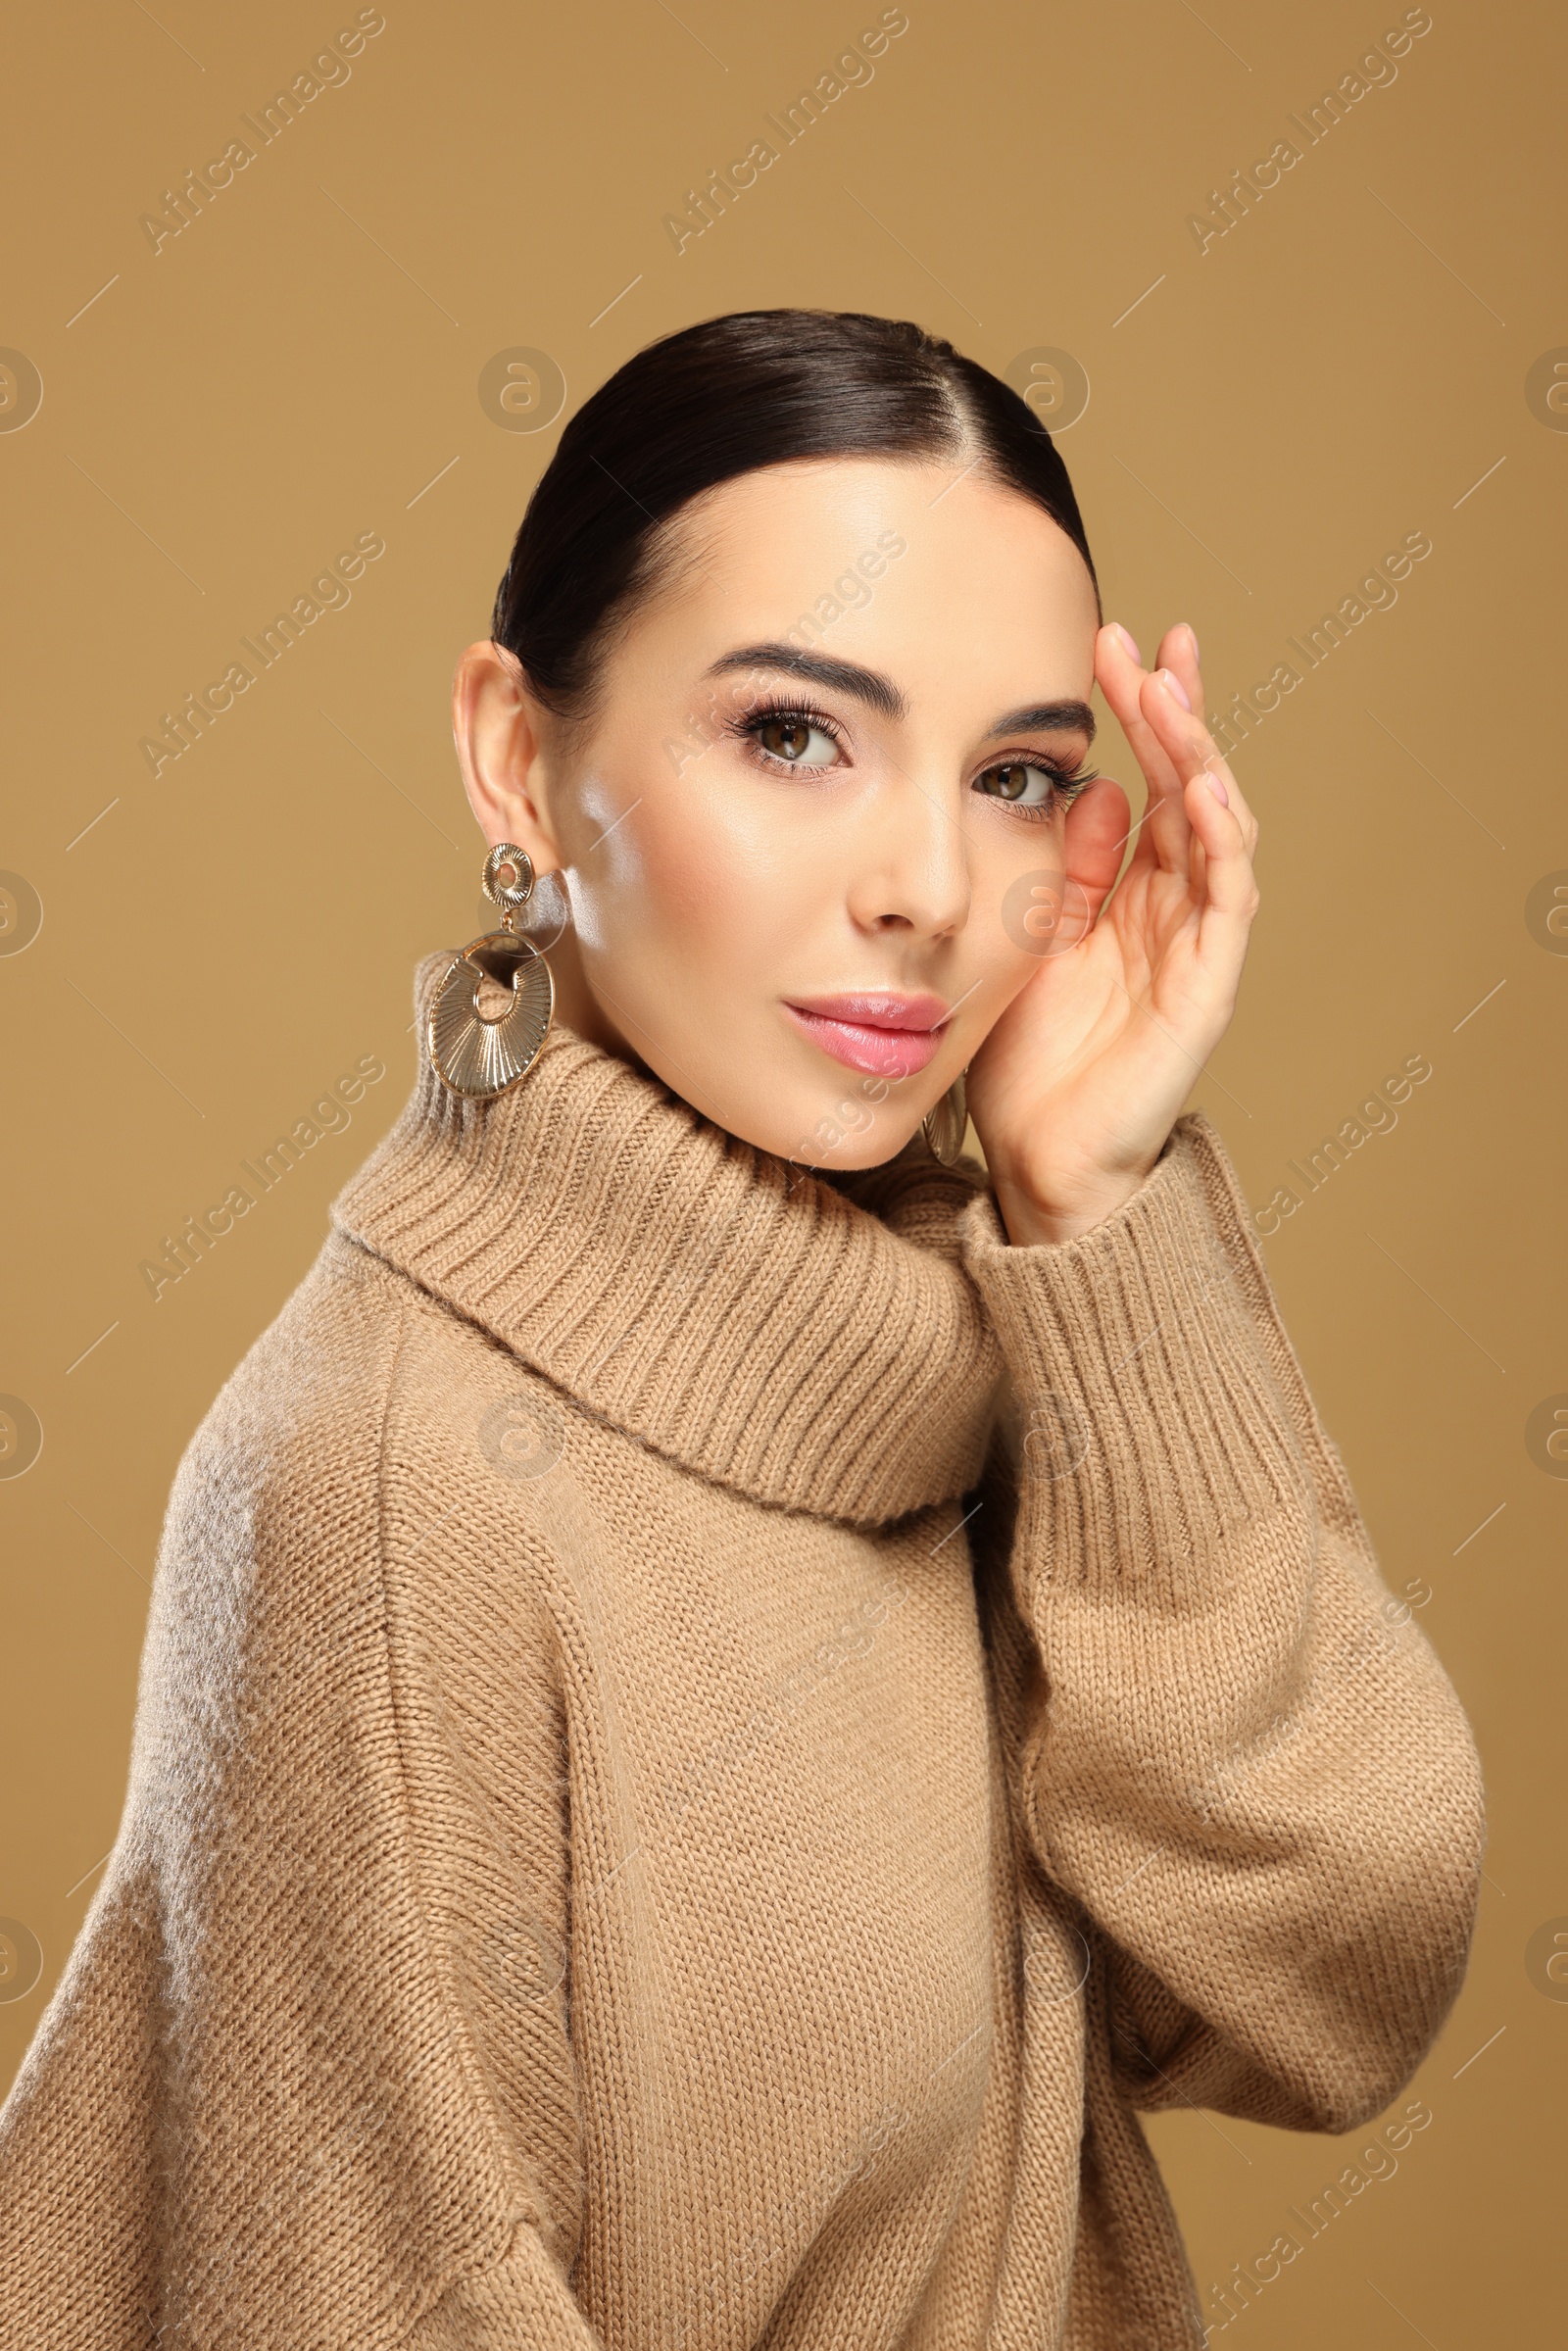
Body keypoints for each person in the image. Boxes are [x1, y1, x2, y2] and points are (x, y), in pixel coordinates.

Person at [0, 310, 1482, 2350]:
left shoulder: (965, 1374)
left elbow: (1334, 1984)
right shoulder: (387, 1489)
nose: (926, 885)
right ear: (520, 758)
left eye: (1018, 777)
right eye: (793, 732)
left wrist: (1090, 1215)